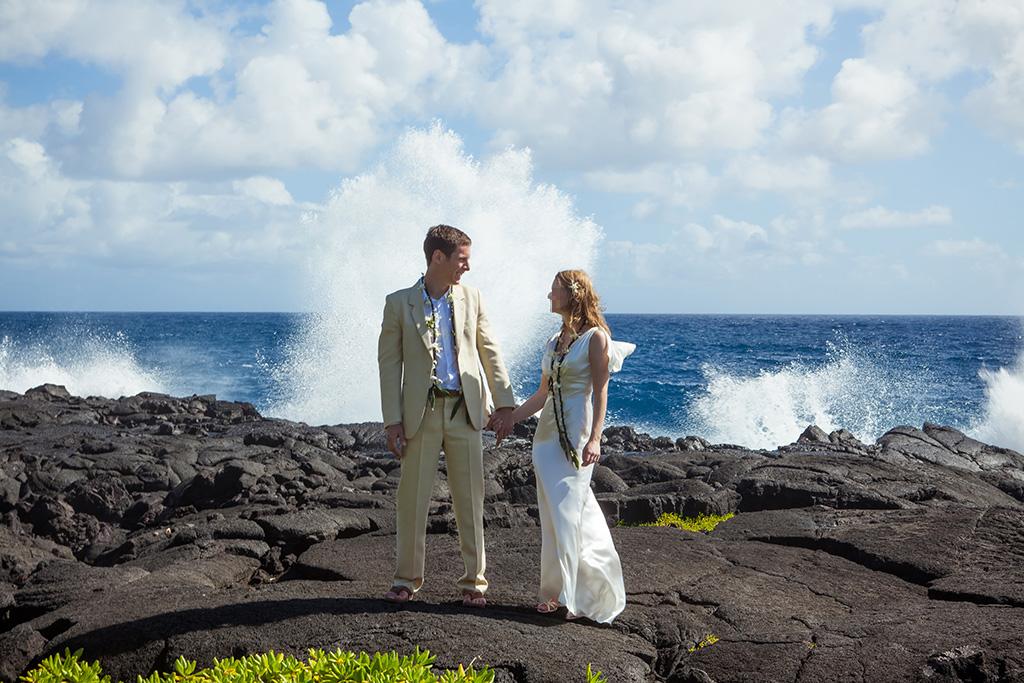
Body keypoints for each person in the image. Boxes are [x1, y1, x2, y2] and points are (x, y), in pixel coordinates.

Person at [377, 225, 514, 608]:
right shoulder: (397, 303)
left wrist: (504, 405)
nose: (466, 268)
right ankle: (405, 580)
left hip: (466, 412)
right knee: (412, 499)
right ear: (438, 257)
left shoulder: (472, 298)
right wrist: (393, 421)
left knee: (470, 499)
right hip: (420, 414)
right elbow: (389, 366)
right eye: (461, 260)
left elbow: (490, 350)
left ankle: (475, 583)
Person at [509, 270, 634, 623]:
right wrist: (509, 419)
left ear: (572, 294)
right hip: (546, 438)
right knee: (553, 513)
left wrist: (596, 438)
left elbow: (601, 391)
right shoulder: (554, 341)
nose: (549, 296)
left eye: (554, 290)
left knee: (568, 512)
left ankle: (570, 596)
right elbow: (541, 394)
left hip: (578, 434)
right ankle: (554, 592)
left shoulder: (596, 339)